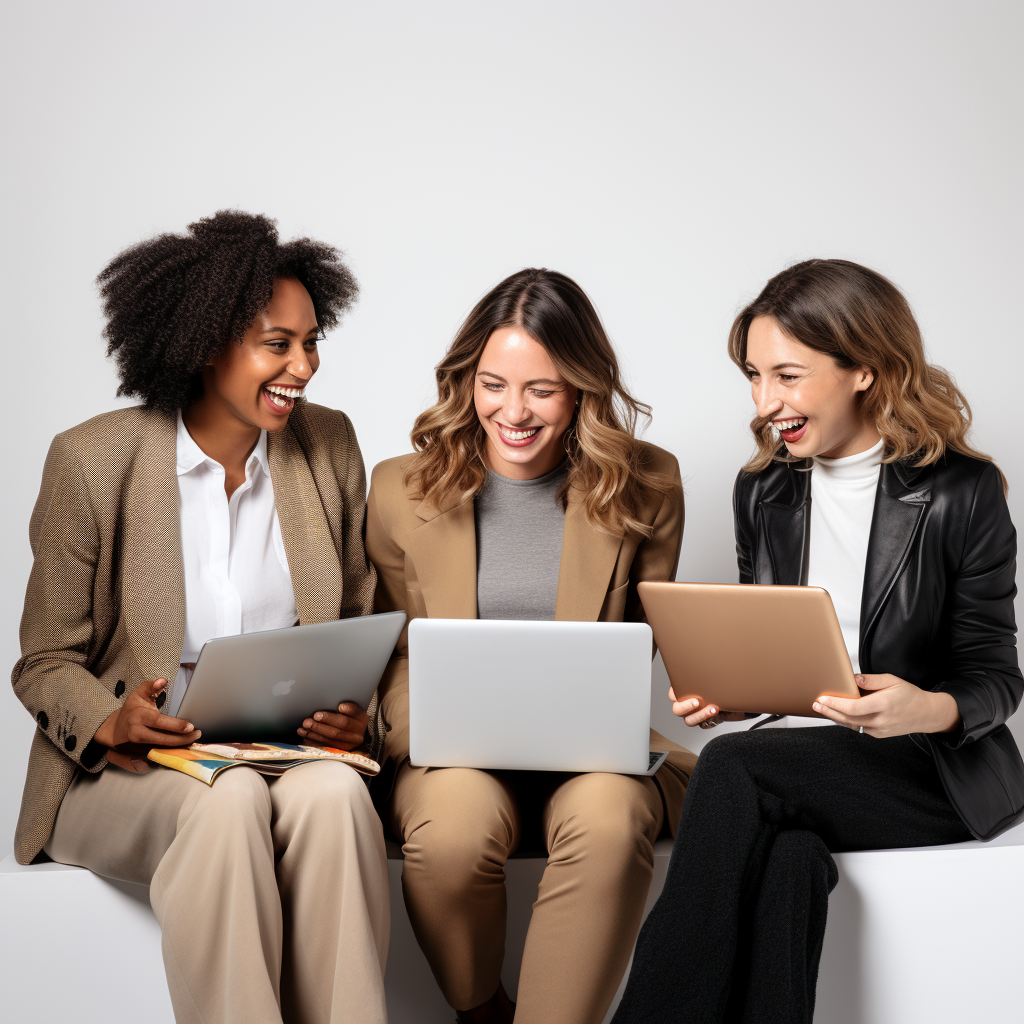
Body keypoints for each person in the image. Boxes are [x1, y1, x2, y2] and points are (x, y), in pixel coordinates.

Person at [612, 258, 1024, 1024]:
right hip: (801, 756)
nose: (766, 403)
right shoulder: (764, 488)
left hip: (927, 769)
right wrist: (731, 692)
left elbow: (997, 673)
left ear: (865, 369)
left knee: (733, 769)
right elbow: (772, 642)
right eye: (754, 377)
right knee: (789, 860)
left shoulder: (961, 492)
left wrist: (925, 708)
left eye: (788, 376)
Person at [12, 211, 390, 1024]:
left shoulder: (328, 446)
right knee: (231, 804)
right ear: (207, 341)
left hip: (275, 753)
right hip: (126, 774)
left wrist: (360, 719)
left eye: (312, 341)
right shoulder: (92, 460)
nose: (304, 367)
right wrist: (114, 721)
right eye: (276, 343)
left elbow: (362, 620)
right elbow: (43, 660)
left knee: (337, 802)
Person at [365, 267, 697, 1024]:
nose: (512, 412)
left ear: (581, 388)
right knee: (450, 830)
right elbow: (391, 650)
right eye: (492, 384)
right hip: (449, 753)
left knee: (612, 821)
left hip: (588, 750)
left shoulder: (649, 484)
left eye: (541, 390)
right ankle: (480, 1011)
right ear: (466, 382)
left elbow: (635, 646)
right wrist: (442, 733)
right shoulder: (395, 489)